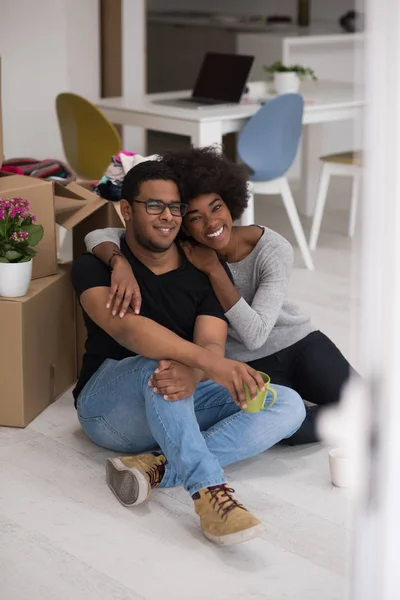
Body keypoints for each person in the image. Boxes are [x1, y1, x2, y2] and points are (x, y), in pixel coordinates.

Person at [72, 159, 305, 547]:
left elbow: (212, 341)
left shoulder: (201, 267)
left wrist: (199, 370)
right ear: (126, 210)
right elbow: (129, 329)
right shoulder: (94, 268)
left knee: (288, 404)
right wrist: (209, 364)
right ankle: (210, 493)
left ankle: (158, 466)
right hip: (108, 409)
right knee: (161, 364)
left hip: (177, 395)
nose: (168, 217)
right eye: (154, 206)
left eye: (175, 207)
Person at [85, 146, 354, 446]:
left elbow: (255, 335)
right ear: (183, 222)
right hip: (237, 364)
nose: (211, 224)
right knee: (280, 422)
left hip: (297, 342)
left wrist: (214, 270)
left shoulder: (271, 249)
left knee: (366, 408)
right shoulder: (184, 248)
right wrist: (118, 261)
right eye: (196, 217)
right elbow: (100, 235)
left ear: (230, 202)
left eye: (216, 208)